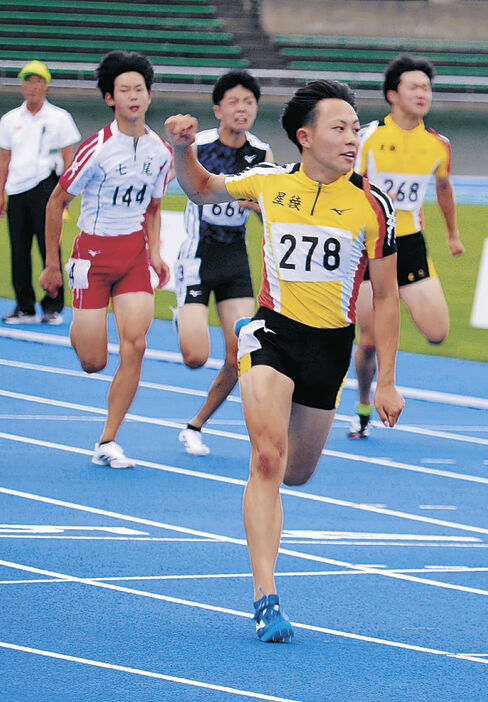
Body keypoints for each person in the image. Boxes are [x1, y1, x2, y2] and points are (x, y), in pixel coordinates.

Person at [165, 79, 404, 642]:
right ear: (305, 136)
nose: (351, 138)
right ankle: (265, 596)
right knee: (267, 458)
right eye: (338, 128)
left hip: (331, 346)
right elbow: (201, 188)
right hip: (272, 333)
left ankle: (268, 572)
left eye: (355, 128)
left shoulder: (374, 204)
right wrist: (181, 149)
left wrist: (387, 382)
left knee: (297, 472)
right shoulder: (269, 184)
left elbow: (388, 296)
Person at [40, 50, 172, 468]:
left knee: (136, 345)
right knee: (94, 362)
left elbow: (153, 208)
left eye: (140, 89)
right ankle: (82, 327)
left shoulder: (161, 153)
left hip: (132, 255)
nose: (134, 97)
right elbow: (57, 200)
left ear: (149, 96)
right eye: (124, 90)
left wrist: (155, 253)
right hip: (92, 257)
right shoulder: (96, 149)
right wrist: (50, 264)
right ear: (109, 98)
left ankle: (108, 440)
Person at [349, 54, 464, 439]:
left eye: (427, 88)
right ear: (392, 94)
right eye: (414, 87)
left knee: (438, 331)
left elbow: (443, 189)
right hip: (367, 245)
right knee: (367, 342)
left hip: (410, 243)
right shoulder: (368, 137)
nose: (422, 93)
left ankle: (391, 310)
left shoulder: (438, 145)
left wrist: (452, 234)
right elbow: (347, 185)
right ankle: (365, 403)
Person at [174, 70, 273, 457]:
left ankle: (195, 425)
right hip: (198, 255)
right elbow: (185, 184)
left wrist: (258, 206)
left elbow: (272, 211)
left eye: (249, 102)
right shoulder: (196, 145)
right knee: (196, 356)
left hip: (235, 258)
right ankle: (185, 313)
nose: (242, 108)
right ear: (218, 109)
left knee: (241, 353)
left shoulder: (261, 154)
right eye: (233, 101)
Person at [0, 59, 81, 324]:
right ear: (22, 86)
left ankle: (52, 305)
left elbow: (69, 158)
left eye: (38, 81)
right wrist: (1, 193)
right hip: (17, 188)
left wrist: (66, 194)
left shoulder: (60, 118)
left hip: (47, 186)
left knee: (49, 246)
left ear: (46, 86)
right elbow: (4, 159)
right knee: (18, 249)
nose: (32, 87)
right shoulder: (10, 120)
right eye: (28, 81)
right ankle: (24, 306)